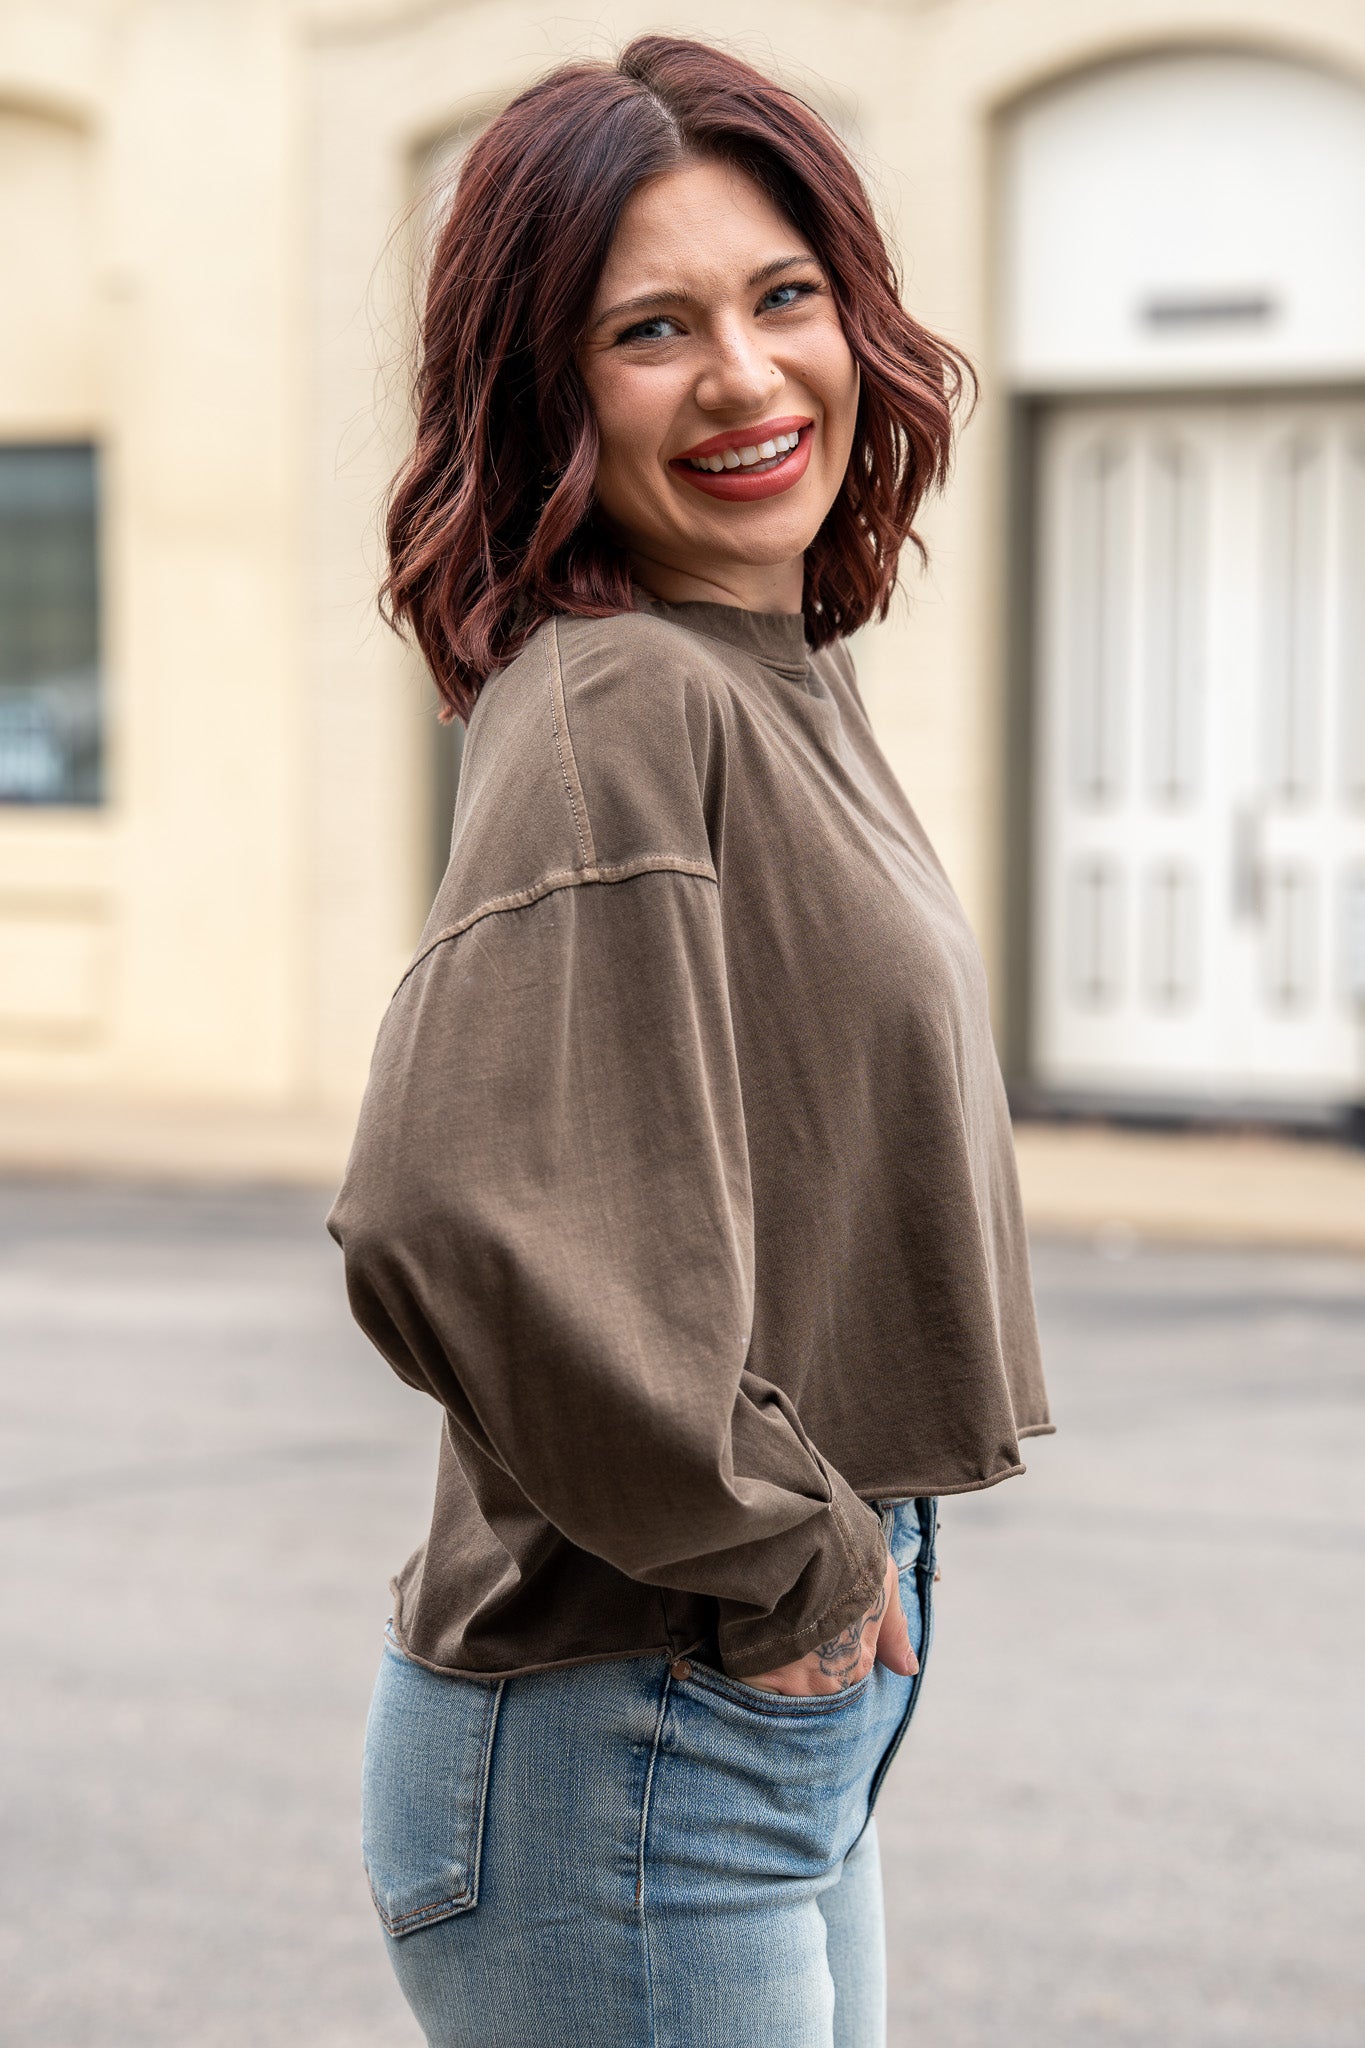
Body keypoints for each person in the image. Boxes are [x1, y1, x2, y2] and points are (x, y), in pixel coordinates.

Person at [327, 33, 1053, 2048]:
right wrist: (786, 1550)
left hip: (729, 1709)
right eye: (651, 328)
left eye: (782, 294)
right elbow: (442, 1208)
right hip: (633, 1733)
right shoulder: (621, 704)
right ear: (549, 392)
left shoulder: (764, 670)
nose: (744, 376)